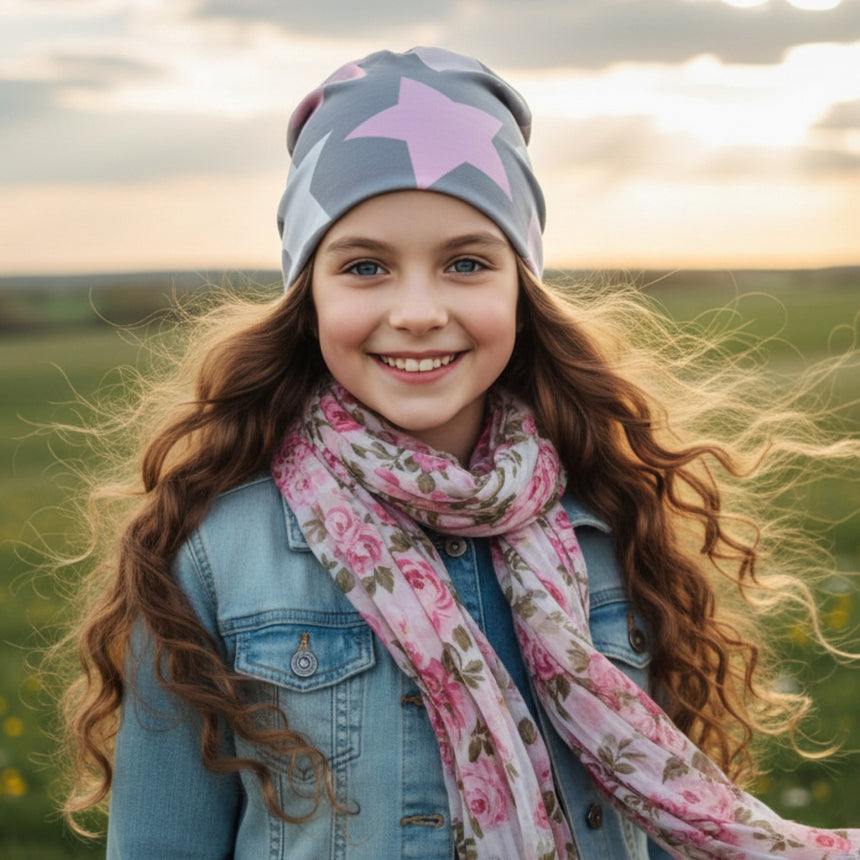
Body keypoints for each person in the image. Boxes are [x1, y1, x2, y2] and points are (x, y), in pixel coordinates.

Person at [58, 47, 860, 859]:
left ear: (521, 286)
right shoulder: (212, 552)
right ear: (310, 296)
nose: (416, 311)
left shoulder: (609, 518)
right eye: (365, 266)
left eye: (467, 263)